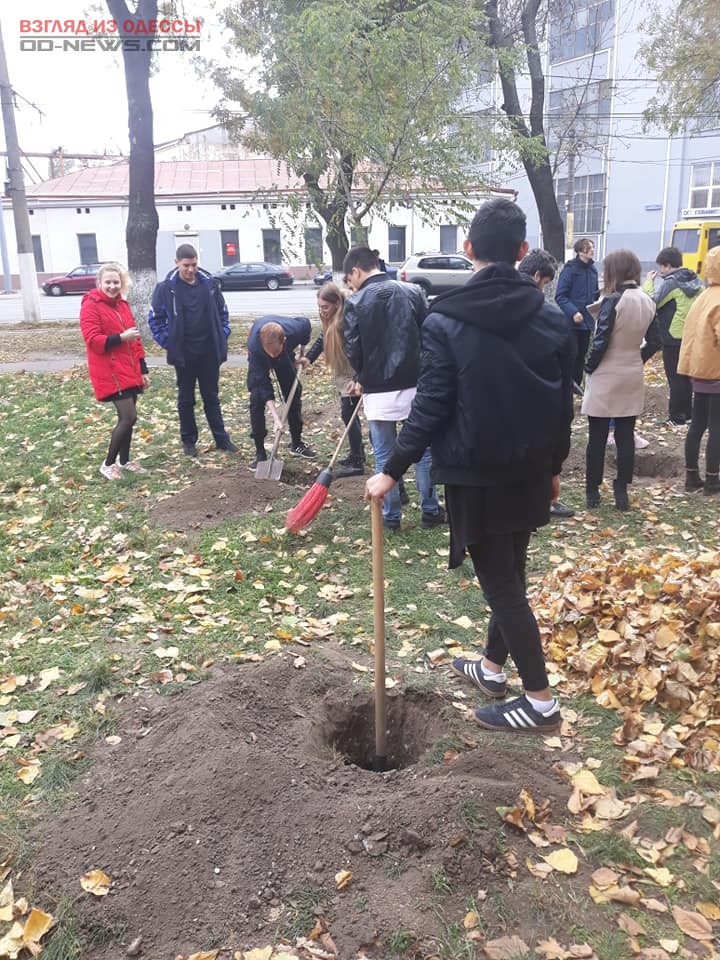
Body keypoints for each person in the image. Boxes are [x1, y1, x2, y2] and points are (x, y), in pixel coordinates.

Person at [366, 198, 574, 734]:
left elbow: (431, 404)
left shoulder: (445, 320)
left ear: (468, 250)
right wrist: (554, 467)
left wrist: (391, 468)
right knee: (513, 575)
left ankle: (540, 701)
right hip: (529, 470)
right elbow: (559, 404)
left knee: (503, 585)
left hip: (478, 477)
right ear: (524, 252)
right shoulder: (549, 317)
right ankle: (489, 669)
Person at [343, 245, 444, 531]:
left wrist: (363, 375)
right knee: (422, 450)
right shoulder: (412, 292)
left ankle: (390, 516)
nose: (350, 285)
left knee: (385, 453)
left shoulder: (356, 301)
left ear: (356, 270)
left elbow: (353, 349)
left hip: (377, 390)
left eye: (349, 279)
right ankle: (430, 509)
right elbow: (429, 333)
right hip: (415, 383)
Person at [582, 250, 655, 511]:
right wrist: (637, 357)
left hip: (606, 372)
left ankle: (593, 491)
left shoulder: (613, 300)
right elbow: (655, 339)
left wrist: (588, 367)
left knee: (598, 436)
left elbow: (600, 340)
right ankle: (621, 490)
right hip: (632, 370)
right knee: (625, 435)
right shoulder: (648, 300)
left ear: (614, 271)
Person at [148, 244, 237, 458]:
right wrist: (170, 343)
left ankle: (221, 439)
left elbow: (223, 313)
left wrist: (222, 333)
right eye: (186, 265)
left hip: (209, 352)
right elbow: (155, 320)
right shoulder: (166, 289)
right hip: (184, 355)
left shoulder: (210, 285)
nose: (190, 270)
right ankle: (189, 441)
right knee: (186, 399)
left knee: (212, 397)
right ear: (177, 263)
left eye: (194, 265)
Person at [80, 263, 150, 480]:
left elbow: (135, 340)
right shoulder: (91, 306)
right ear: (99, 283)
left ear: (122, 283)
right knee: (129, 417)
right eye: (108, 282)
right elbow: (93, 340)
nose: (112, 286)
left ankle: (124, 460)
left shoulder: (123, 305)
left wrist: (143, 369)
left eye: (116, 282)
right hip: (109, 372)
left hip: (129, 369)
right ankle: (108, 463)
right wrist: (121, 338)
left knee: (128, 418)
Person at [519, 249, 575, 520]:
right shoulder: (547, 317)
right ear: (537, 276)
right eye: (545, 283)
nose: (544, 290)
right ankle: (542, 500)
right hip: (539, 403)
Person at [304, 282, 365, 477]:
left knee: (349, 414)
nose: (322, 311)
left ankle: (357, 462)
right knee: (349, 415)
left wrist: (358, 377)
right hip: (345, 373)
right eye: (319, 307)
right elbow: (323, 338)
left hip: (352, 375)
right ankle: (357, 454)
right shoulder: (333, 319)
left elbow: (360, 348)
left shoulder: (345, 321)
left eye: (325, 307)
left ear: (337, 303)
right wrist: (309, 358)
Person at [641, 246, 703, 426]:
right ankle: (688, 415)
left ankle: (676, 417)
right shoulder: (697, 281)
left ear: (667, 265)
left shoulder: (671, 283)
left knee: (674, 378)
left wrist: (649, 283)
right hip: (692, 335)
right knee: (686, 376)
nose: (660, 271)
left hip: (672, 336)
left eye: (661, 267)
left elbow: (651, 302)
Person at [246, 315, 317, 470]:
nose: (272, 356)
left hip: (284, 357)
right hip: (259, 360)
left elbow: (306, 324)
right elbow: (263, 385)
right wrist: (276, 417)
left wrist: (302, 353)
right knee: (257, 398)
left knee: (294, 392)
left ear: (284, 341)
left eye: (275, 352)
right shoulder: (255, 347)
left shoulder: (294, 330)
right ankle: (260, 453)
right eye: (269, 353)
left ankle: (296, 443)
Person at [677, 245, 720, 496]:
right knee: (717, 428)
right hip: (716, 372)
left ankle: (691, 477)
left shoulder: (703, 297)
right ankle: (713, 480)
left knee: (698, 425)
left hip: (699, 372)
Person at [555, 238, 600, 393]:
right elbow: (560, 296)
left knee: (581, 356)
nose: (592, 250)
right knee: (570, 356)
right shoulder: (570, 270)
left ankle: (576, 389)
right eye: (589, 247)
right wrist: (573, 312)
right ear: (580, 251)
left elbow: (594, 294)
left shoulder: (593, 270)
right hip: (571, 323)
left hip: (587, 322)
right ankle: (566, 388)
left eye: (593, 247)